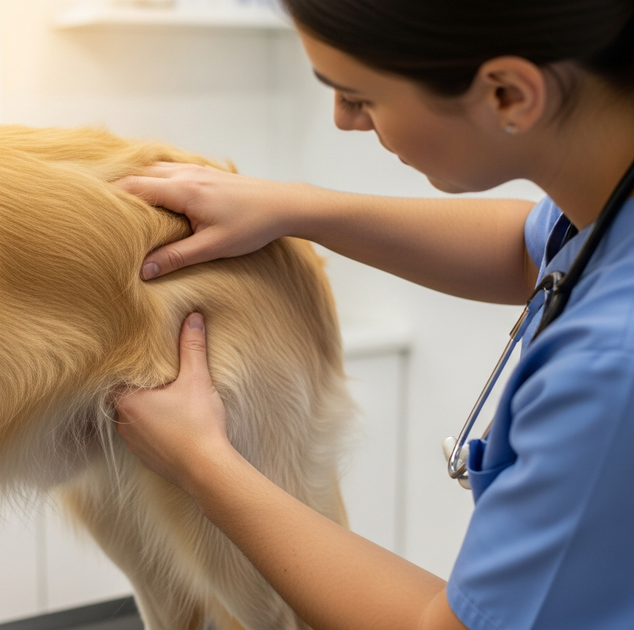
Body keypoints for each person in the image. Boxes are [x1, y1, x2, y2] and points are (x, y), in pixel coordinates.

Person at [113, 1, 634, 628]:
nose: (343, 121)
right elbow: (533, 251)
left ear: (506, 94)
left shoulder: (611, 365)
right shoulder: (607, 199)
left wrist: (201, 460)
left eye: (359, 97)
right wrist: (296, 206)